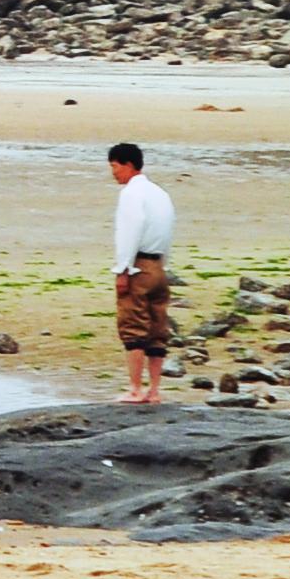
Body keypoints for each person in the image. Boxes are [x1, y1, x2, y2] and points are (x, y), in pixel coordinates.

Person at [108, 141, 176, 403]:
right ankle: (155, 390)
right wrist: (164, 264)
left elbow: (130, 230)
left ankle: (136, 388)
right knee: (158, 327)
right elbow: (169, 227)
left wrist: (123, 269)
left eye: (114, 166)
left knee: (133, 326)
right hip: (159, 264)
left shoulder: (131, 194)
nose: (113, 172)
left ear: (127, 164)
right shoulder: (160, 193)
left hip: (139, 265)